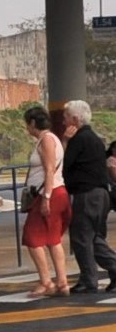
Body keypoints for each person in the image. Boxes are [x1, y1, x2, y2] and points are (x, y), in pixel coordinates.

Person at [57, 98, 116, 293]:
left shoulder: (79, 140)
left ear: (75, 119)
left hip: (86, 194)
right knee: (94, 237)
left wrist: (64, 141)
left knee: (81, 237)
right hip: (101, 194)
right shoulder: (95, 138)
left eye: (65, 118)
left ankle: (89, 280)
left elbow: (63, 164)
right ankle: (113, 268)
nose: (63, 122)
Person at [20, 105, 70, 299]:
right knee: (53, 238)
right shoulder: (53, 139)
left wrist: (46, 198)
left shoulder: (46, 140)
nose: (26, 128)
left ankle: (46, 281)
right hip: (56, 192)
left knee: (32, 238)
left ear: (33, 123)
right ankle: (62, 281)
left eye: (27, 124)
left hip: (49, 194)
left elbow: (49, 170)